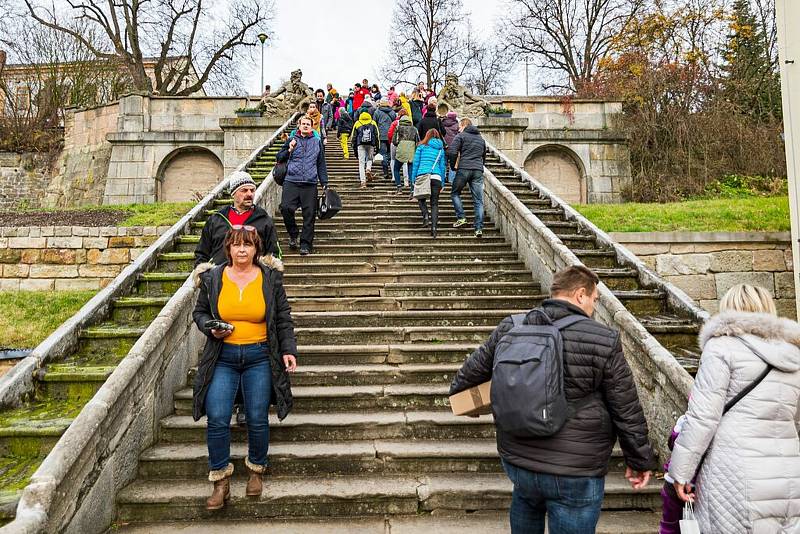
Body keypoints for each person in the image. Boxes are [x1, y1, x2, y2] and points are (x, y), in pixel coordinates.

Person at [450, 265, 657, 534]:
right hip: (575, 470)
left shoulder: (512, 326)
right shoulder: (602, 339)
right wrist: (639, 461)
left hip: (519, 461)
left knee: (525, 505)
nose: (594, 307)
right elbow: (625, 408)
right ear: (581, 294)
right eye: (595, 300)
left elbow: (462, 383)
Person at [668, 284, 800, 533]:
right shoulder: (794, 354)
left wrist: (680, 473)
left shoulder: (721, 348)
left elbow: (703, 417)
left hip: (734, 472)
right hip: (789, 476)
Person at [191, 226, 297, 510]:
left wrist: (288, 350)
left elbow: (283, 317)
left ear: (256, 249)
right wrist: (209, 327)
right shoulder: (213, 277)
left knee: (257, 416)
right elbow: (199, 312)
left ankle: (256, 471)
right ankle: (220, 481)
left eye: (247, 245)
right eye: (236, 245)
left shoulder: (270, 278)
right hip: (222, 356)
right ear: (228, 249)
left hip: (260, 356)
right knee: (217, 416)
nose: (242, 250)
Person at [194, 171, 279, 268]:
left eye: (252, 190)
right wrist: (205, 277)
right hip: (220, 279)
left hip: (254, 280)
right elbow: (201, 253)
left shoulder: (264, 220)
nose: (249, 194)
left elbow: (274, 254)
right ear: (233, 193)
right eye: (244, 190)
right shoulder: (216, 220)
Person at [277, 115, 328, 255]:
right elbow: (279, 158)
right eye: (303, 123)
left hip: (310, 183)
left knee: (309, 214)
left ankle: (305, 244)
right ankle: (293, 234)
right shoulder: (291, 140)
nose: (306, 126)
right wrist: (289, 149)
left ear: (312, 127)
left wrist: (324, 182)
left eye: (308, 124)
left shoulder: (317, 142)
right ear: (299, 126)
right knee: (286, 208)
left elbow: (321, 163)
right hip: (291, 180)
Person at [448, 118, 486, 238]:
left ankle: (462, 218)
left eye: (459, 126)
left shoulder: (461, 136)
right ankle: (478, 229)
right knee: (478, 201)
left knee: (455, 193)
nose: (458, 129)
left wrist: (453, 166)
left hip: (464, 168)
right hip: (478, 170)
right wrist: (480, 166)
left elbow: (452, 151)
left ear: (464, 125)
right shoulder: (481, 139)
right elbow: (483, 155)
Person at [411, 129, 446, 238]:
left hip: (423, 174)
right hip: (436, 177)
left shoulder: (421, 147)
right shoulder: (441, 150)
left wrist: (413, 179)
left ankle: (426, 216)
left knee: (421, 198)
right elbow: (442, 167)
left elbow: (415, 164)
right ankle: (434, 229)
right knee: (434, 204)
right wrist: (443, 183)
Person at [391, 111, 418, 194]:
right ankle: (412, 190)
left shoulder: (398, 128)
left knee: (396, 169)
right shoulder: (414, 129)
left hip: (401, 151)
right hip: (411, 152)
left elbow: (394, 141)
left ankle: (399, 187)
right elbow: (418, 141)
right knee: (411, 171)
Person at [351, 111, 380, 188]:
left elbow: (353, 136)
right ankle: (368, 169)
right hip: (371, 144)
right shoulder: (373, 122)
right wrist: (378, 147)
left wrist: (353, 146)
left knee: (361, 163)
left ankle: (363, 182)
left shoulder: (357, 123)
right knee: (370, 158)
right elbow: (377, 135)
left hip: (360, 144)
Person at [373, 98, 396, 179]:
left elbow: (374, 124)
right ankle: (391, 167)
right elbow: (395, 123)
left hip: (381, 136)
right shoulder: (392, 112)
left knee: (383, 154)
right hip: (391, 136)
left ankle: (386, 171)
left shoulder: (377, 112)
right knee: (391, 154)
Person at [441, 110, 460, 184]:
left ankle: (443, 177)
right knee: (453, 165)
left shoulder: (442, 123)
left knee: (443, 164)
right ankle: (451, 180)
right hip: (454, 149)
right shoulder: (457, 125)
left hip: (444, 147)